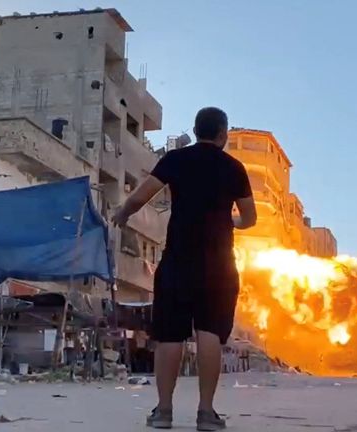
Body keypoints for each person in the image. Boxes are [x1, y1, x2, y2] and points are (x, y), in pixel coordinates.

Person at [112, 107, 257, 430]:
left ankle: (163, 411)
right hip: (219, 264)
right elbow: (250, 218)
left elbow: (141, 196)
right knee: (209, 334)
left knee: (170, 335)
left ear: (194, 131)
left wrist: (122, 214)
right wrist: (230, 220)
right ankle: (206, 412)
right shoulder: (234, 168)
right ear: (223, 134)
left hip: (178, 259)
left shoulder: (175, 160)